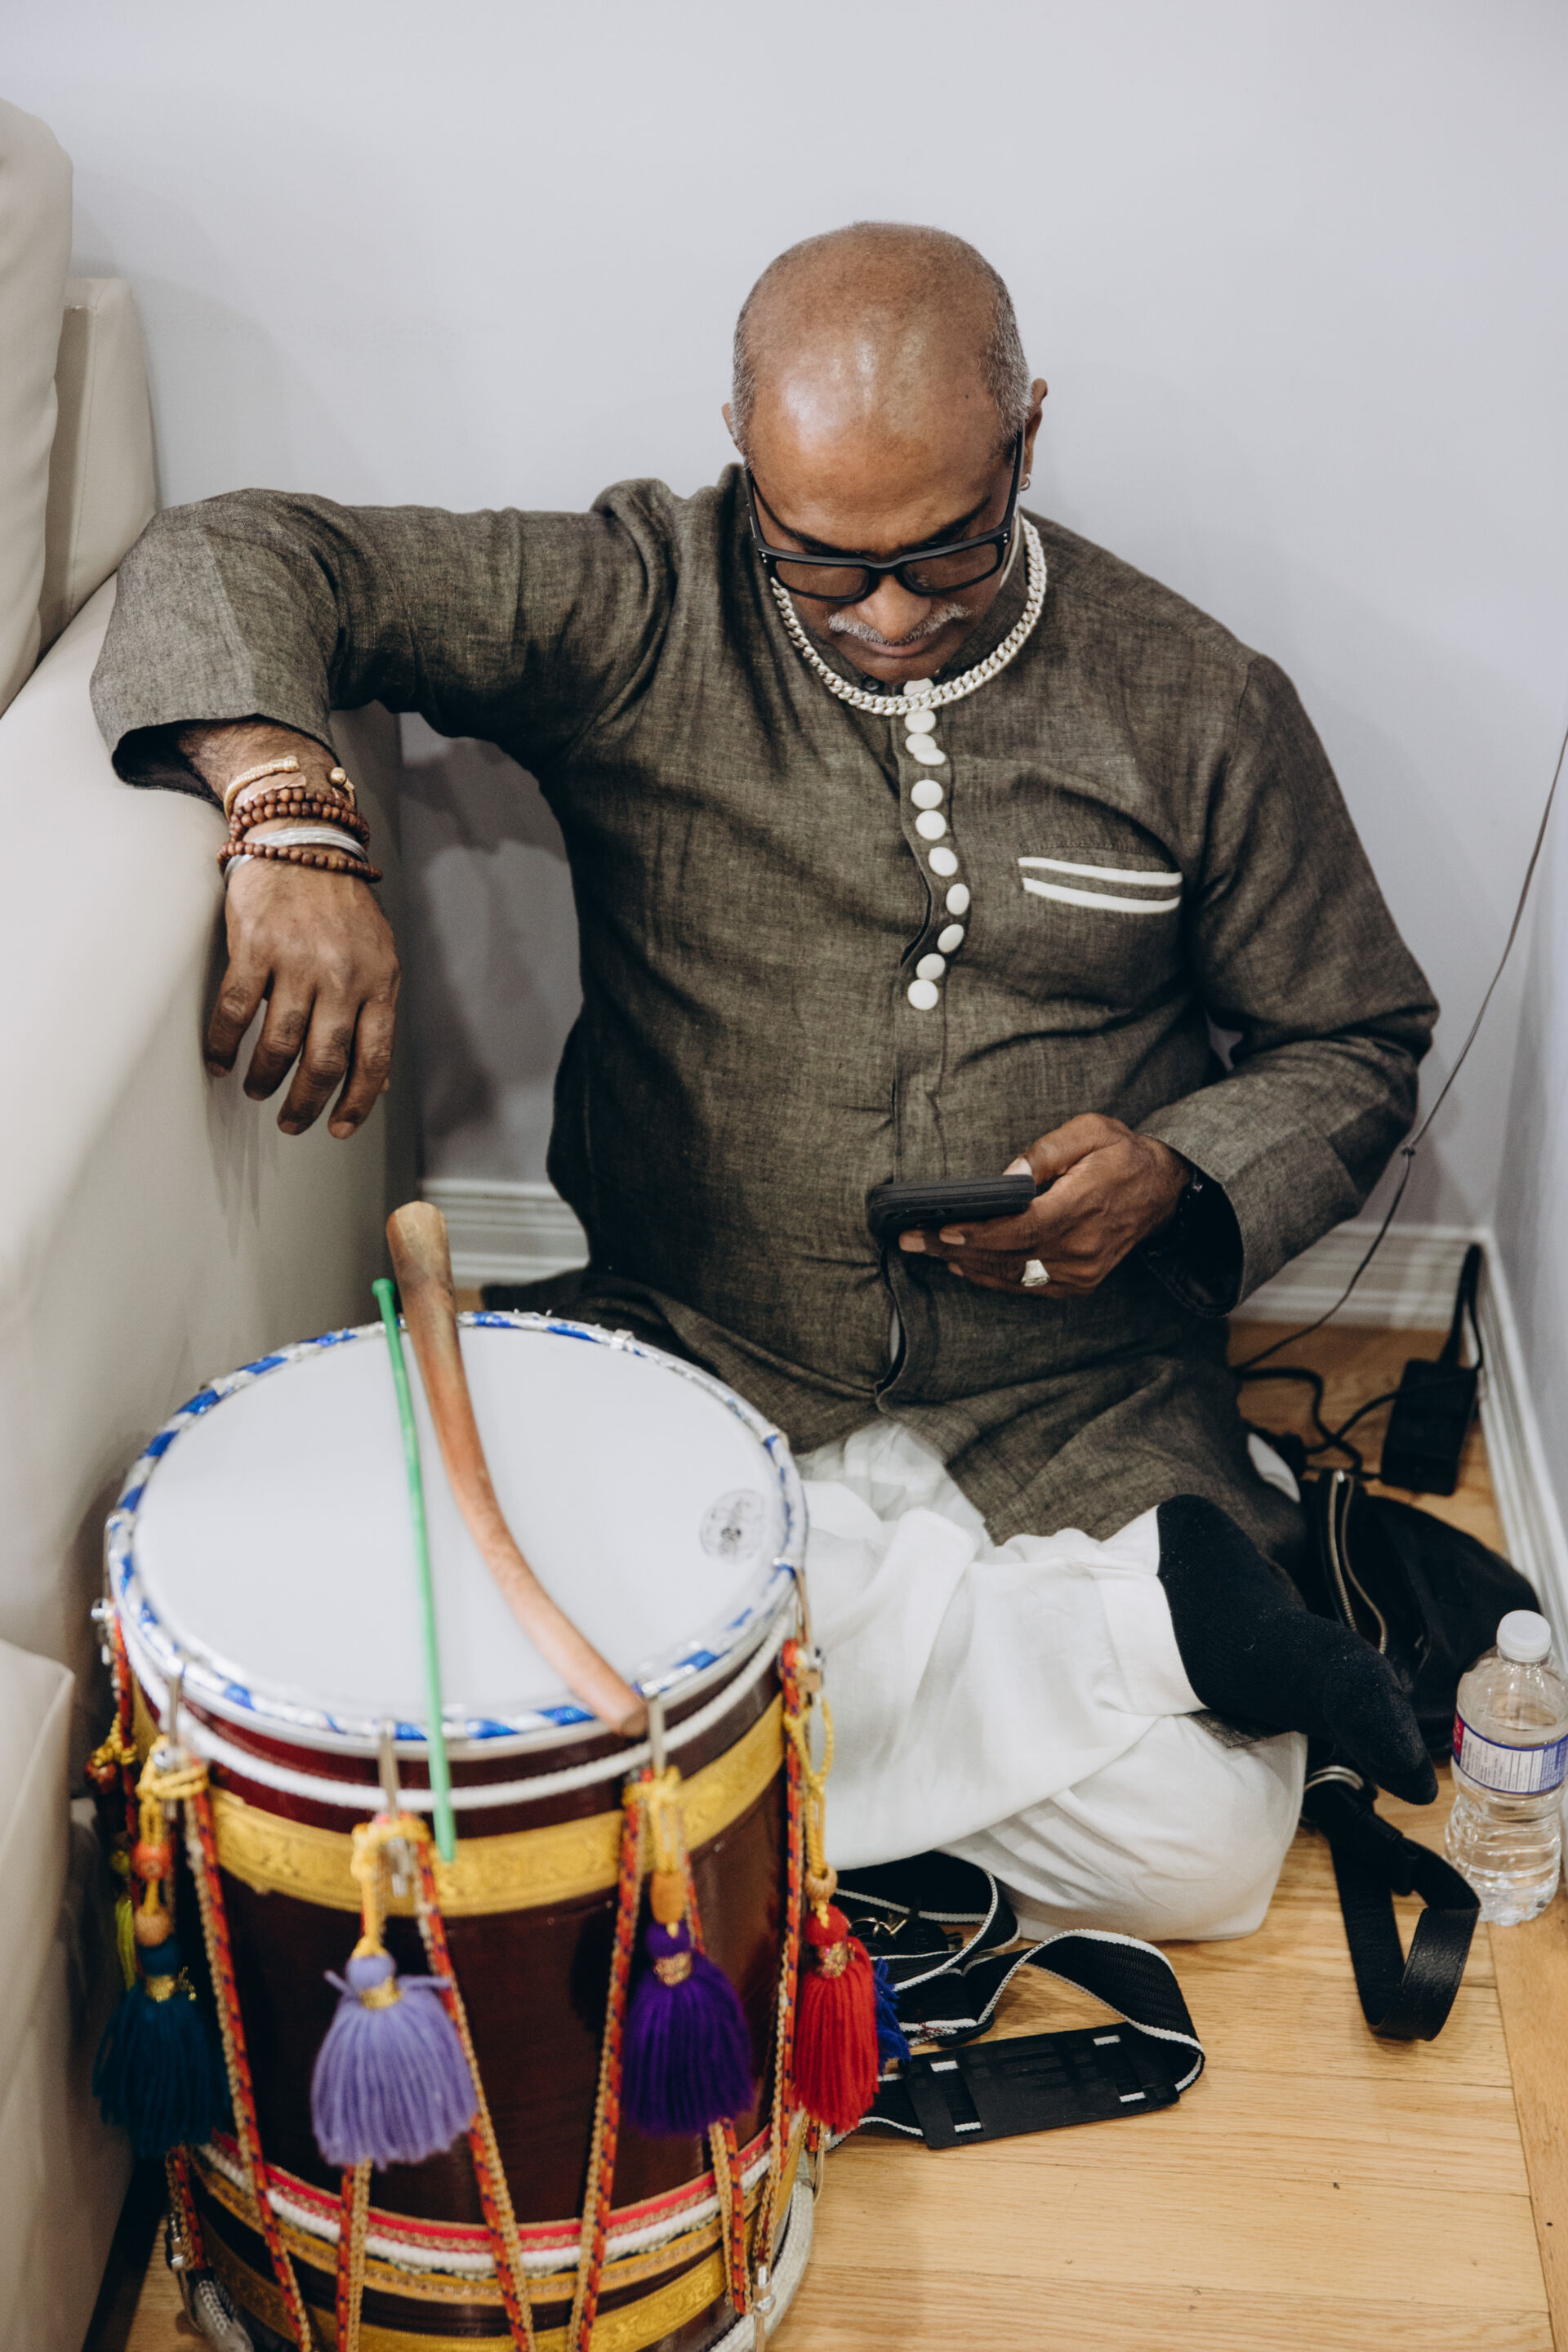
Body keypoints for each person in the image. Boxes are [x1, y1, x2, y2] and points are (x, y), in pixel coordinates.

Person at [93, 222, 1439, 1942]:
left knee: (1208, 1853)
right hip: (705, 1349)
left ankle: (793, 1701)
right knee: (435, 1607)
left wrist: (1179, 1172)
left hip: (1074, 1403)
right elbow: (239, 549)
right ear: (743, 450)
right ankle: (1116, 1637)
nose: (889, 616)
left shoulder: (1198, 701)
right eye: (822, 563)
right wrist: (289, 813)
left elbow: (1356, 1035)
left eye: (947, 554)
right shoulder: (639, 601)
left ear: (1028, 436)